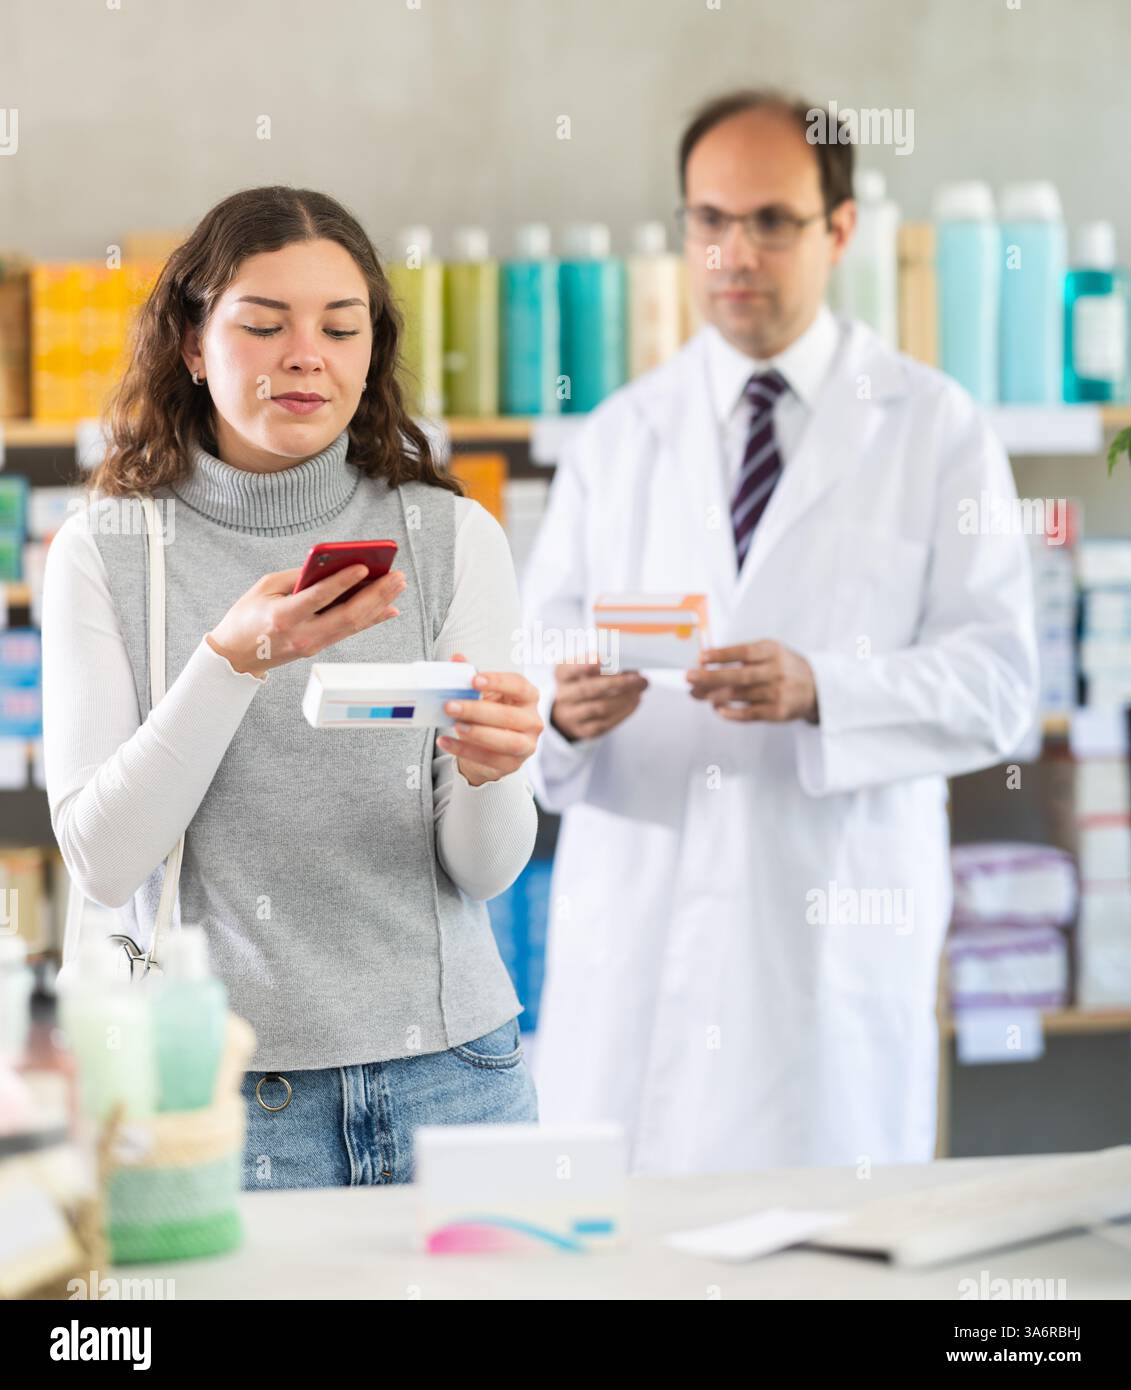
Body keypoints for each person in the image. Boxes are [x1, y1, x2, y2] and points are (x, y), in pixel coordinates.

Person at [520, 90, 1038, 1175]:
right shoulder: (618, 436)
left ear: (839, 229)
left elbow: (999, 682)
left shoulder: (934, 428)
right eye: (709, 220)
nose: (734, 252)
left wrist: (825, 689)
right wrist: (561, 709)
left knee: (824, 1235)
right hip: (641, 929)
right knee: (625, 1237)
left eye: (770, 220)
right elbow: (533, 663)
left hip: (825, 934)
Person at [43, 185, 545, 1189]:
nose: (306, 355)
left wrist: (494, 771)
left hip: (455, 1078)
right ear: (193, 345)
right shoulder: (107, 550)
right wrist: (231, 663)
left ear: (371, 350)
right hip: (213, 1094)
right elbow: (103, 860)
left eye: (340, 327)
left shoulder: (449, 537)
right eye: (264, 325)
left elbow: (484, 872)